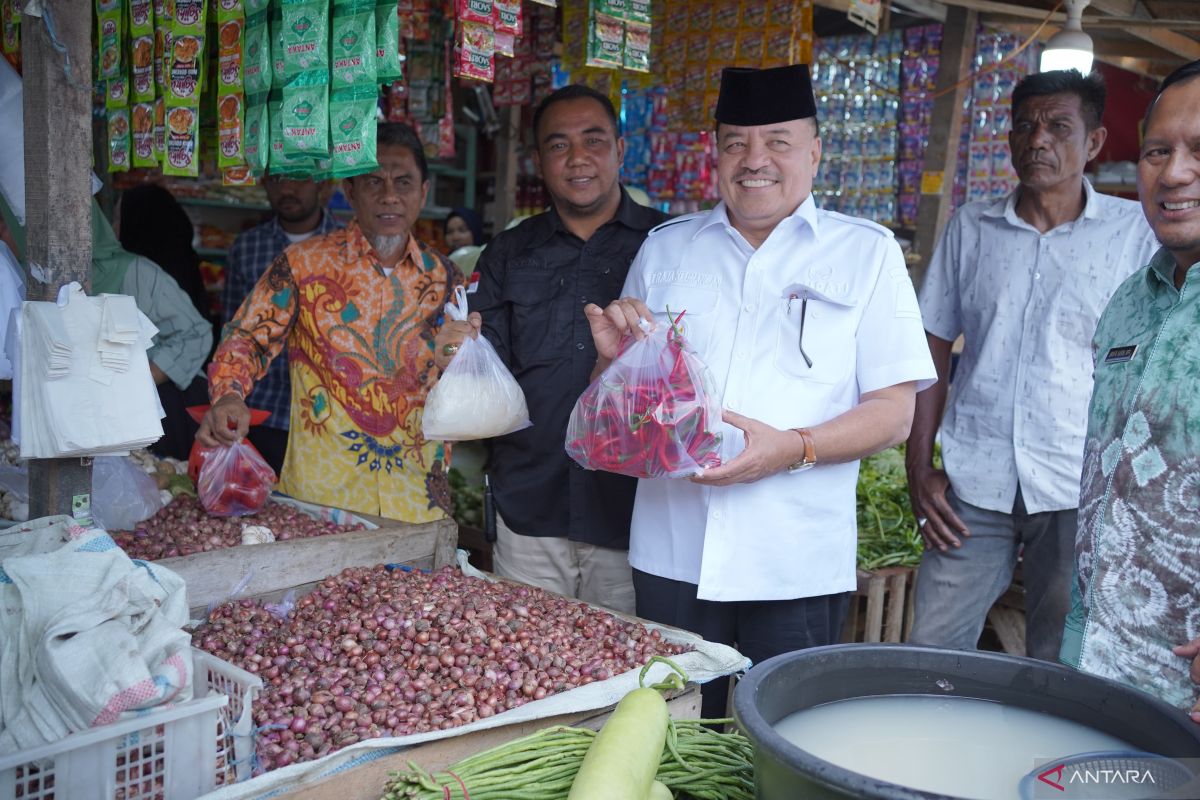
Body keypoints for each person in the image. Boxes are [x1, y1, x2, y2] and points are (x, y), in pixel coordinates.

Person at [585, 64, 936, 718]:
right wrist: (613, 367)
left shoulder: (868, 254)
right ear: (715, 152)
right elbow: (620, 412)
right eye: (736, 142)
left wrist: (794, 448)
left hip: (796, 562)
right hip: (673, 555)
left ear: (814, 151)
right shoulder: (666, 249)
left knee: (784, 738)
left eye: (778, 141)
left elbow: (894, 413)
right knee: (672, 737)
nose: (755, 160)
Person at [905, 70, 1160, 662]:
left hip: (1080, 482)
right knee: (930, 649)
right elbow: (932, 348)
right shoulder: (971, 228)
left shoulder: (1134, 236)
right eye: (1025, 126)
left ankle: (1050, 760)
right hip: (973, 482)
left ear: (1093, 143)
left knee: (1062, 656)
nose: (1038, 140)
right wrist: (919, 468)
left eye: (1058, 126)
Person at [434, 85, 667, 614]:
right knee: (532, 668)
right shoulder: (509, 253)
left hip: (636, 513)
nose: (578, 158)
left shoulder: (668, 244)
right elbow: (480, 366)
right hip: (529, 509)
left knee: (629, 677)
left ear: (621, 149)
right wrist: (455, 355)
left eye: (594, 140)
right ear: (539, 160)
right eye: (559, 145)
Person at [198, 123, 462, 521]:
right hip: (325, 498)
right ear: (350, 191)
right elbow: (247, 338)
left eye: (403, 182)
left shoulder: (448, 279)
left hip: (418, 495)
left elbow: (465, 374)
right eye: (374, 182)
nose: (389, 195)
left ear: (423, 191)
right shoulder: (303, 263)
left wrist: (462, 352)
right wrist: (230, 394)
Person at [1061, 60, 1200, 719]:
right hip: (1101, 666)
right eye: (1156, 151)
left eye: (1198, 151)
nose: (1173, 173)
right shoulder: (1129, 305)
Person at [1, 197, 212, 461]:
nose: (3, 232)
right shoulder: (27, 279)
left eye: (7, 224)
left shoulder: (136, 272)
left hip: (152, 408)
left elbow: (195, 333)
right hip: (73, 416)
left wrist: (133, 380)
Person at [220, 173, 341, 474]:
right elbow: (232, 332)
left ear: (322, 184)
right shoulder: (247, 247)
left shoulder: (346, 247)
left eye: (298, 179)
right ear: (263, 184)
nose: (287, 188)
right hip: (264, 412)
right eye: (276, 180)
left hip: (332, 418)